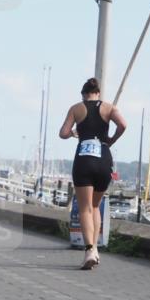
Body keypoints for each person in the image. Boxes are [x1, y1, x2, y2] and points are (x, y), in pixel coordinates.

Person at [59, 78, 126, 269]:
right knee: (95, 206)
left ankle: (89, 250)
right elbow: (123, 125)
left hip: (84, 159)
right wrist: (111, 140)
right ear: (98, 93)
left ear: (83, 94)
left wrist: (73, 133)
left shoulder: (76, 108)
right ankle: (95, 249)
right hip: (104, 157)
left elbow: (63, 133)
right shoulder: (109, 108)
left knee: (85, 208)